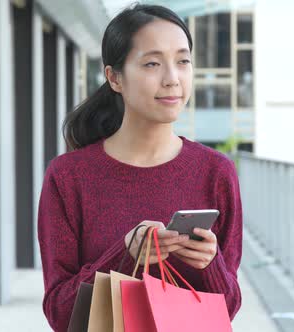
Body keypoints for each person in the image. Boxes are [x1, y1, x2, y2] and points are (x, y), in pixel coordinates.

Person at [37, 4, 243, 331]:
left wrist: (210, 264)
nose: (172, 79)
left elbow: (226, 312)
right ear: (114, 77)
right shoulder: (68, 177)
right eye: (152, 63)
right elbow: (60, 315)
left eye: (183, 61)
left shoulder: (215, 172)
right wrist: (125, 253)